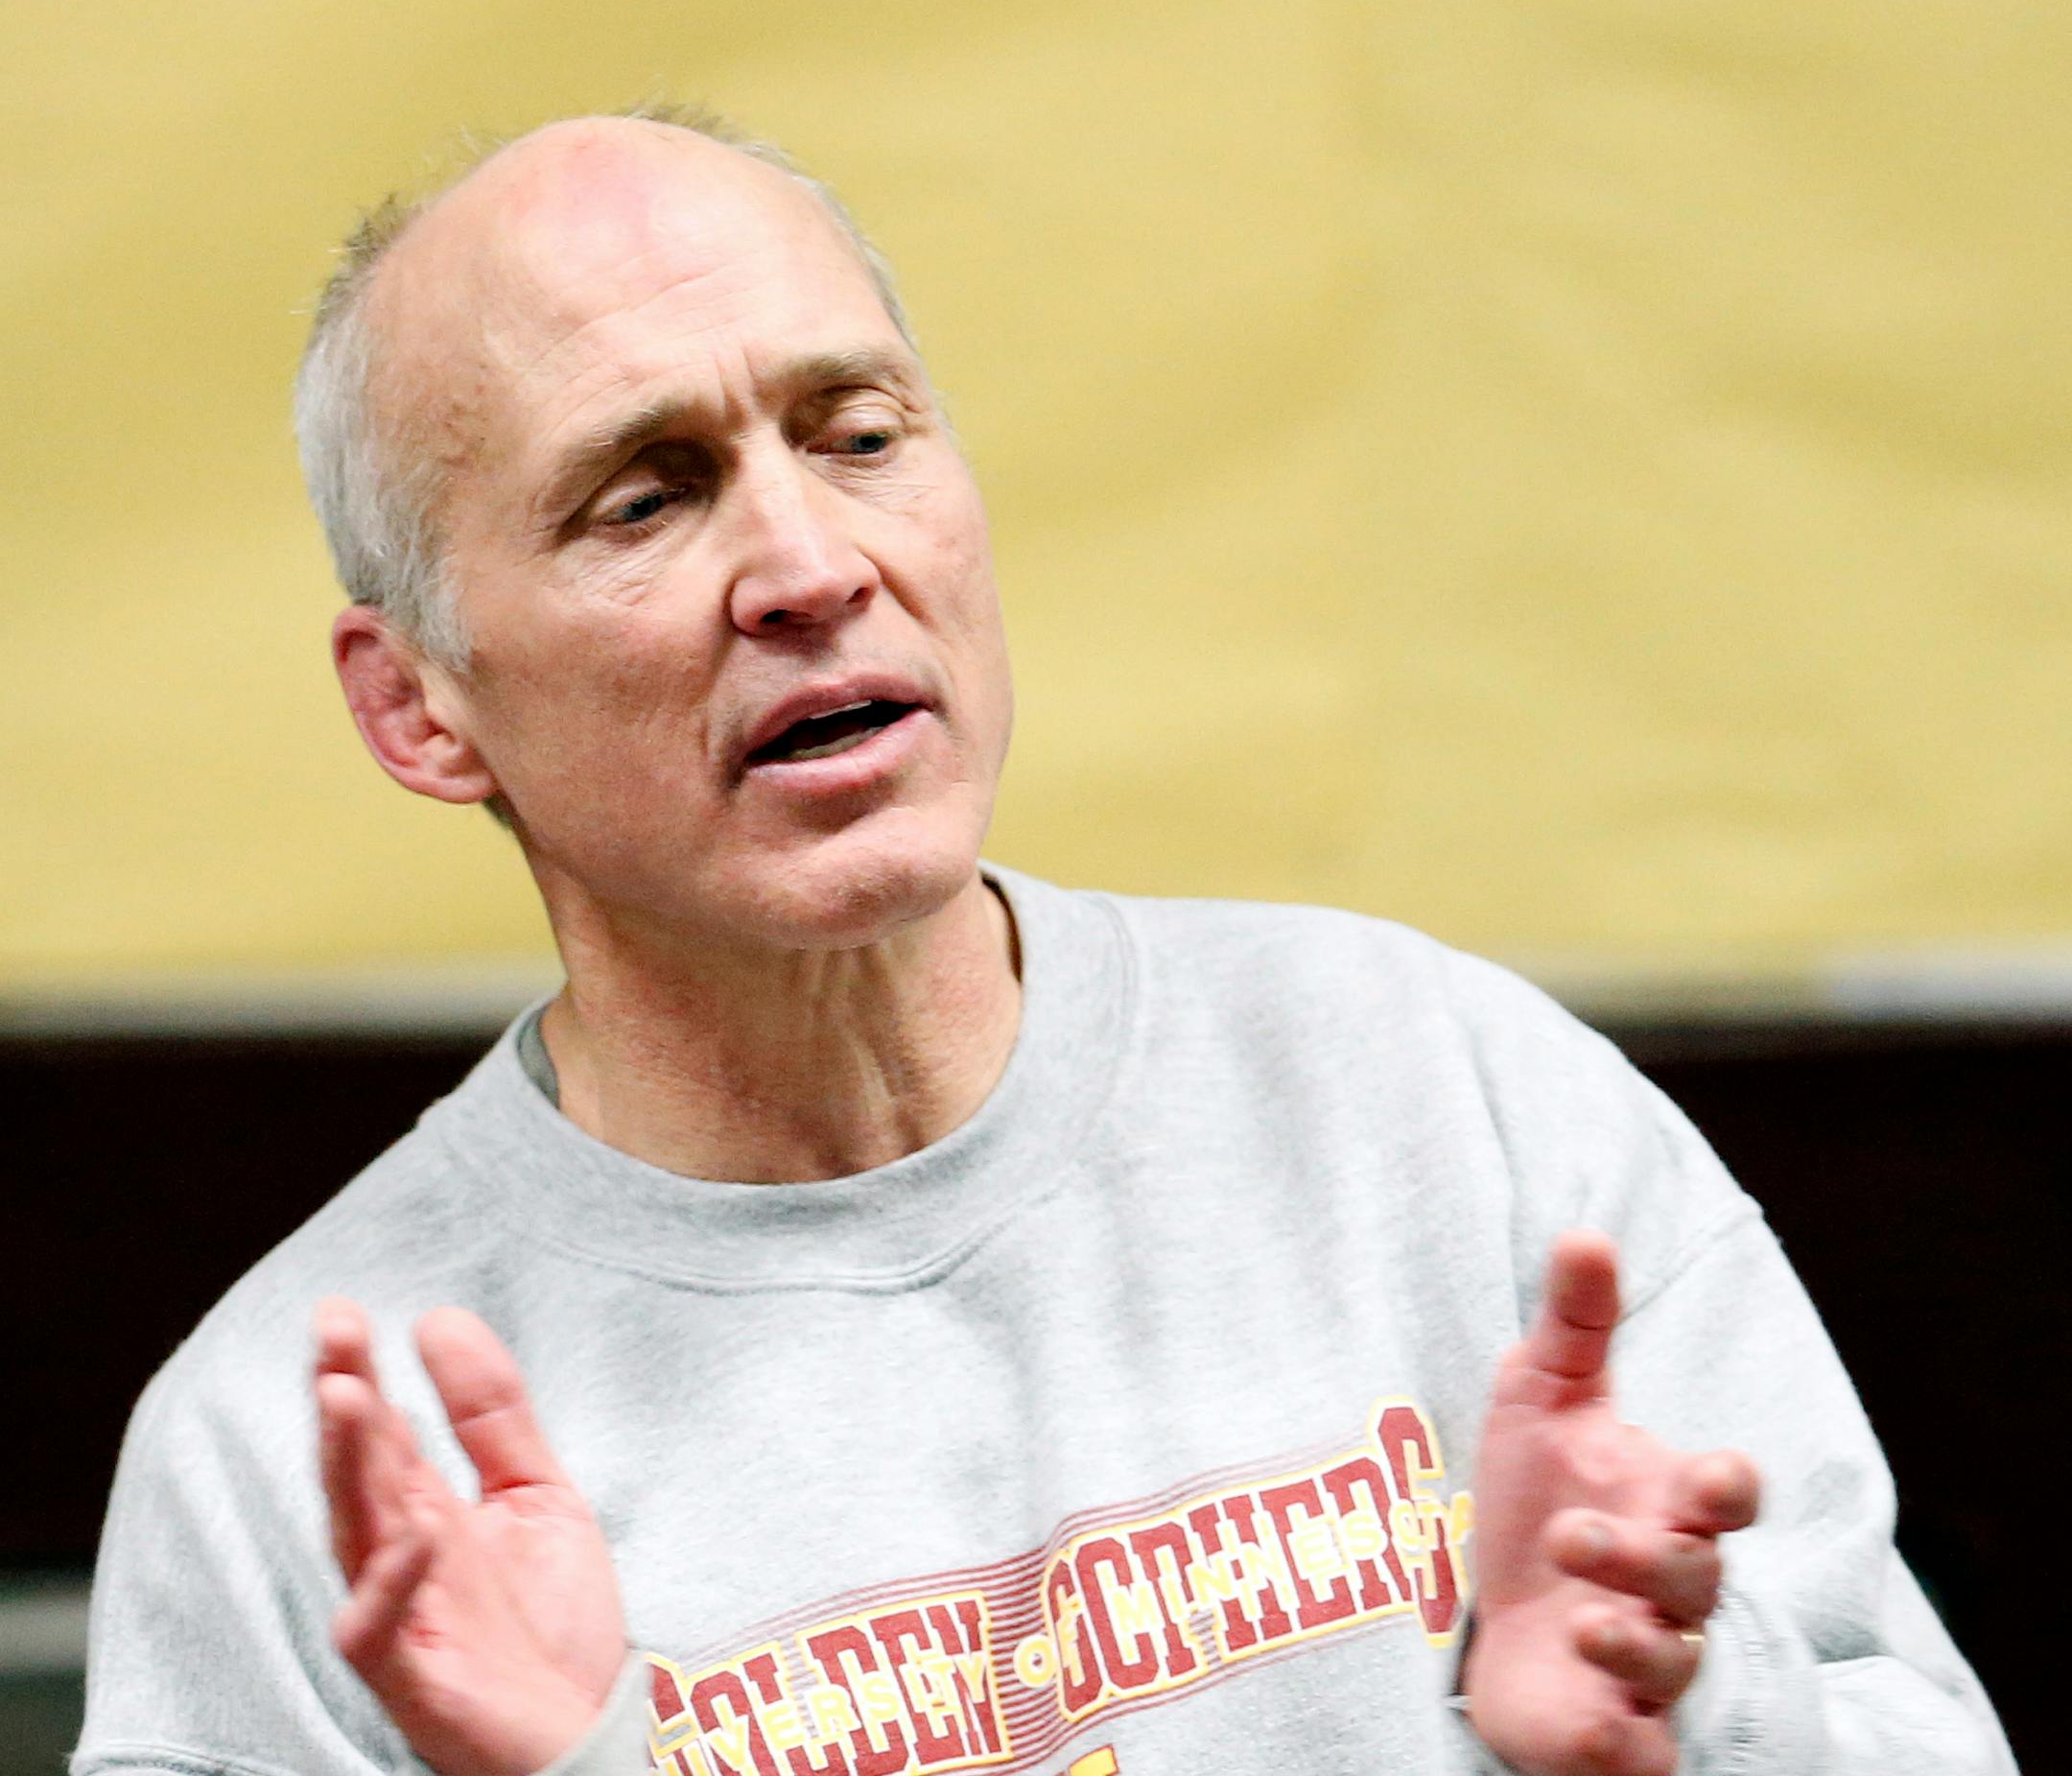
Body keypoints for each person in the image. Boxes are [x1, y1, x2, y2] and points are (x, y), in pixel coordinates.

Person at [74, 107, 2013, 1776]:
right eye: (646, 495)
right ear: (419, 705)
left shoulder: (1447, 1096)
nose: (815, 566)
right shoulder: (299, 1472)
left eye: (858, 433)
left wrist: (1678, 1724)